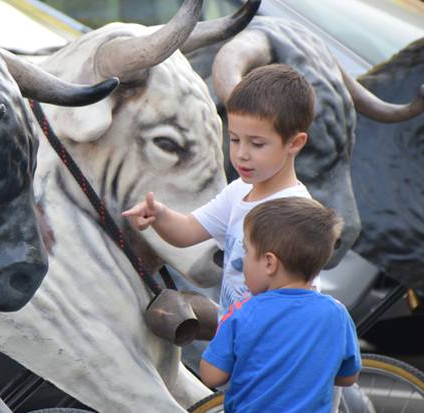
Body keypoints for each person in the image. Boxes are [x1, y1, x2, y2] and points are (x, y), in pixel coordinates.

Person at [122, 63, 317, 317]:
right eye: (235, 139)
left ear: (295, 143)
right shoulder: (238, 192)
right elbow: (188, 231)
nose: (241, 154)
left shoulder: (297, 214)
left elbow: (297, 301)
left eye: (257, 144)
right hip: (233, 329)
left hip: (267, 339)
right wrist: (159, 216)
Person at [199, 197, 361, 412]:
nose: (243, 261)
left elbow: (211, 376)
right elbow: (348, 377)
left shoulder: (244, 312)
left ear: (269, 263)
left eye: (246, 252)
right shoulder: (336, 313)